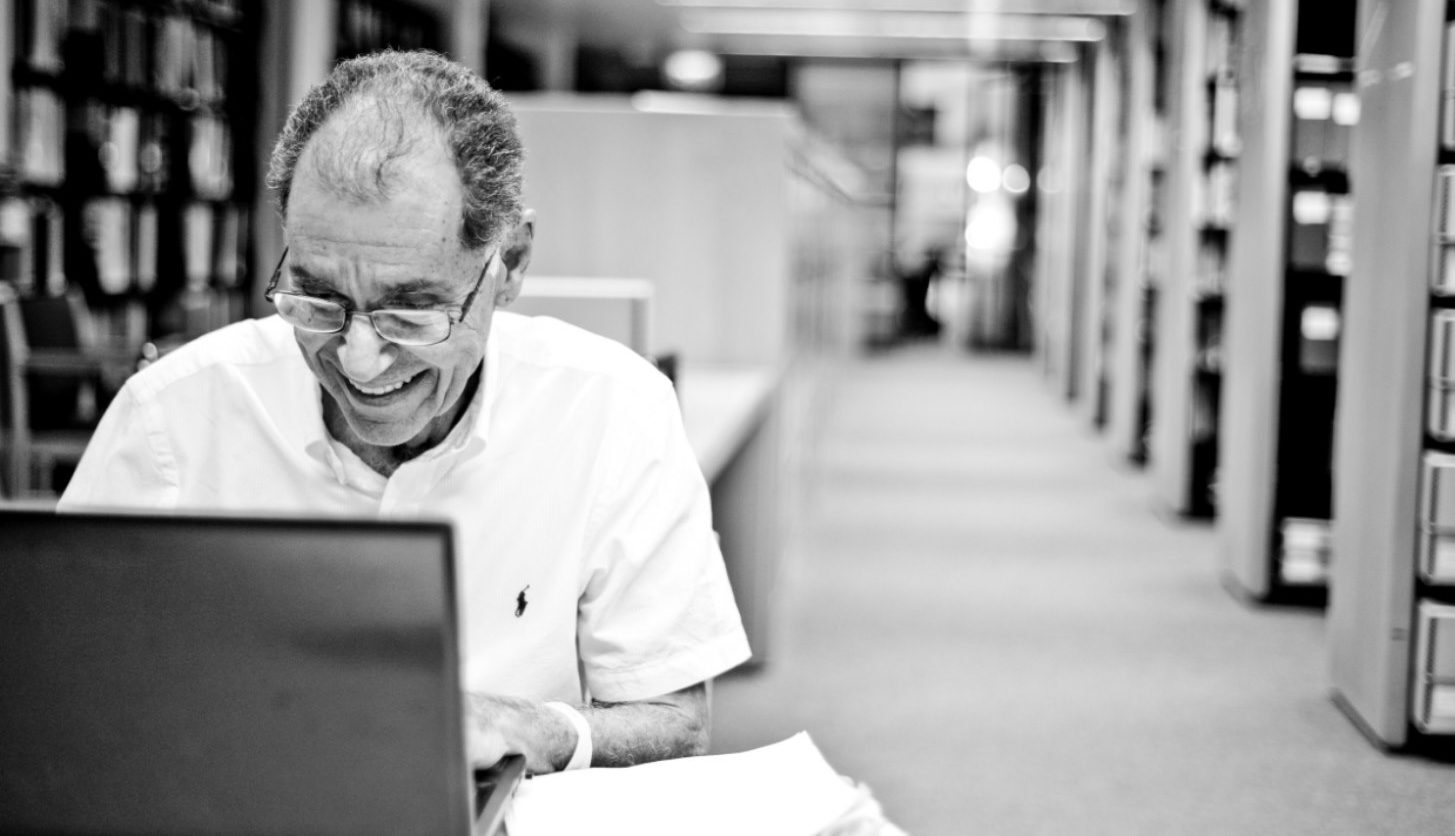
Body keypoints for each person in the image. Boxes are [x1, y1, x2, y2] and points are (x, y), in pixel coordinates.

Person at [58, 50, 751, 775]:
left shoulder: (612, 409)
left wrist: (534, 730)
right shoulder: (171, 416)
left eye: (412, 312)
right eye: (318, 299)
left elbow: (673, 718)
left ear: (509, 263)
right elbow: (63, 691)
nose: (358, 360)